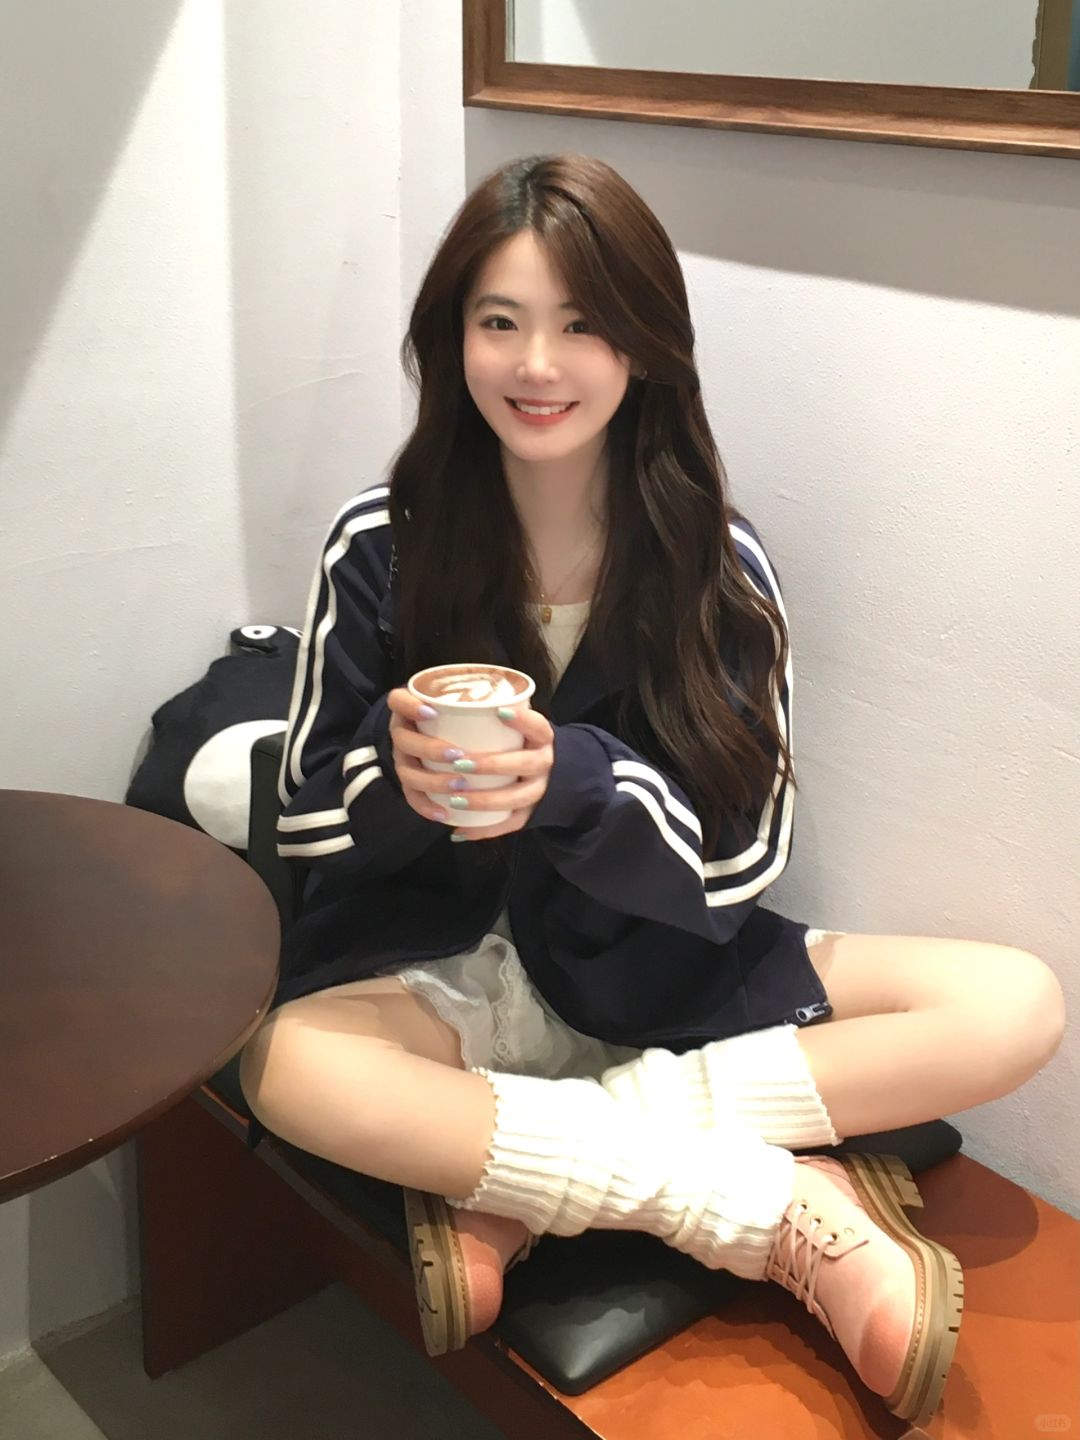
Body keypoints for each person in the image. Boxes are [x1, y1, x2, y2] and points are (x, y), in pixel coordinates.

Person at [239, 152, 1065, 1426]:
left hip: (654, 976)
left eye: (581, 324)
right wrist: (397, 780)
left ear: (643, 346)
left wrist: (574, 779)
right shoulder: (382, 542)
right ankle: (769, 1210)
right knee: (287, 1064)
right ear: (452, 338)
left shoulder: (714, 567)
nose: (537, 365)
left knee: (1013, 1004)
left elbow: (742, 864)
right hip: (438, 975)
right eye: (499, 322)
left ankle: (519, 1167)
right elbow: (302, 813)